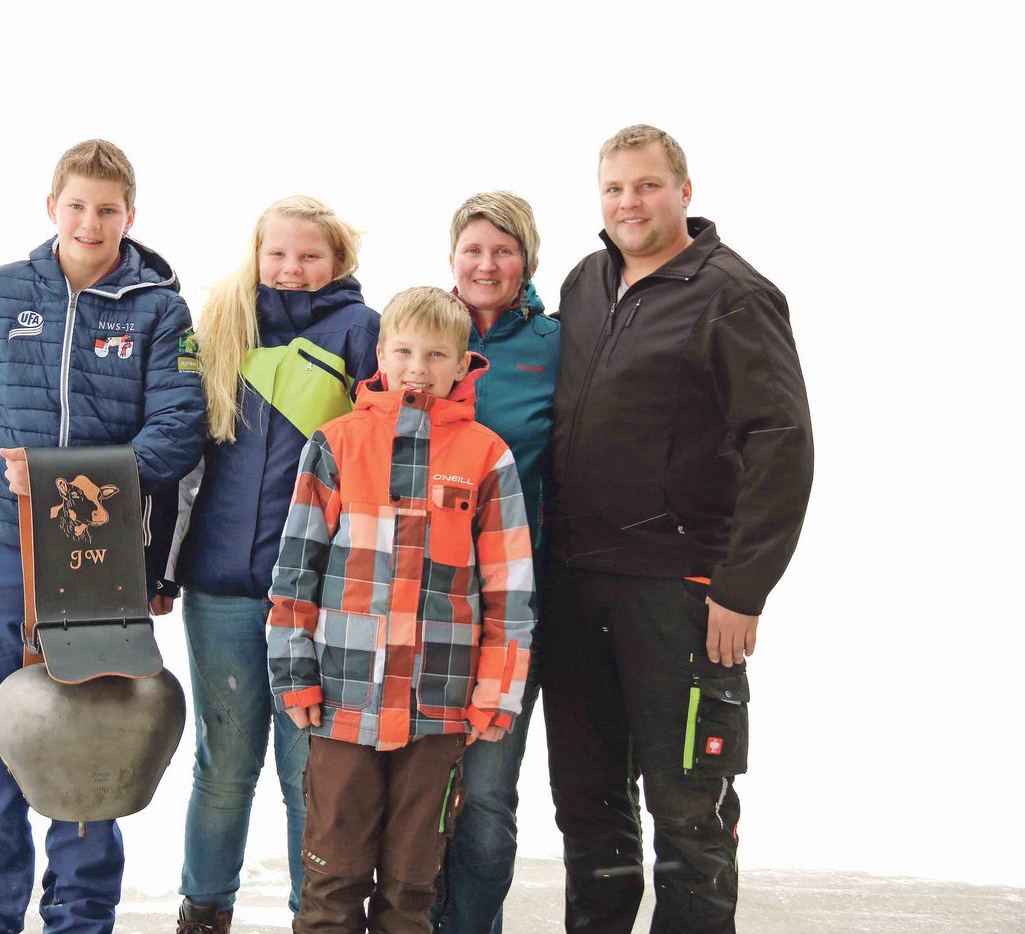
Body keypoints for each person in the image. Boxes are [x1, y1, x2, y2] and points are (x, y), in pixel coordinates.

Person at [0, 138, 206, 934]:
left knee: (91, 742)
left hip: (94, 557)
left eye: (108, 208)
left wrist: (60, 478)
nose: (91, 221)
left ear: (130, 215)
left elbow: (178, 430)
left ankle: (82, 919)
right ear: (52, 206)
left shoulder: (158, 308)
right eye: (77, 205)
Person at [542, 125, 814, 933]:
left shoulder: (733, 293)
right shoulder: (586, 282)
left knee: (688, 810)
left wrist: (741, 587)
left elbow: (782, 443)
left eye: (647, 185)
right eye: (615, 188)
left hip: (679, 590)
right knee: (588, 807)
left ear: (684, 193)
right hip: (575, 583)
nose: (629, 202)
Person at [267, 286, 536, 934]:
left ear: (462, 362)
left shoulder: (486, 456)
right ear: (382, 354)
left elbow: (509, 591)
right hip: (343, 701)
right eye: (405, 350)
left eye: (436, 353)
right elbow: (296, 574)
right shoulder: (335, 444)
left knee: (414, 887)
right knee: (331, 880)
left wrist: (495, 694)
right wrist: (294, 672)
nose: (418, 366)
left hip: (437, 710)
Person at [165, 196, 380, 934]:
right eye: (278, 254)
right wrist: (163, 568)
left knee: (306, 775)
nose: (291, 269)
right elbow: (185, 463)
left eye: (309, 256)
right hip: (218, 587)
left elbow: (376, 463)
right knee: (223, 768)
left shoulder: (362, 333)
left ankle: (313, 916)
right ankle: (204, 909)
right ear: (257, 256)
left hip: (313, 597)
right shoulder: (224, 329)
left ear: (338, 262)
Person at [431, 192, 559, 934]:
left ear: (528, 262)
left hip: (515, 606)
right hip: (419, 603)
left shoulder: (557, 345)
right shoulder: (418, 333)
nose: (486, 264)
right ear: (453, 258)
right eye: (473, 249)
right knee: (418, 790)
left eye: (503, 250)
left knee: (484, 790)